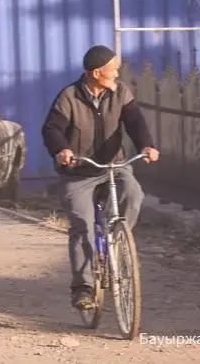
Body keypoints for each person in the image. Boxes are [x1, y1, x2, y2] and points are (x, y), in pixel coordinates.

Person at [41, 45, 159, 310]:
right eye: (113, 70)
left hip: (113, 166)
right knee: (82, 225)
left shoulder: (120, 92)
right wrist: (62, 150)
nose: (117, 74)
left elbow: (135, 122)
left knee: (134, 193)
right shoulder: (69, 97)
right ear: (96, 73)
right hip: (78, 172)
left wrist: (146, 146)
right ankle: (83, 288)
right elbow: (51, 129)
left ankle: (118, 241)